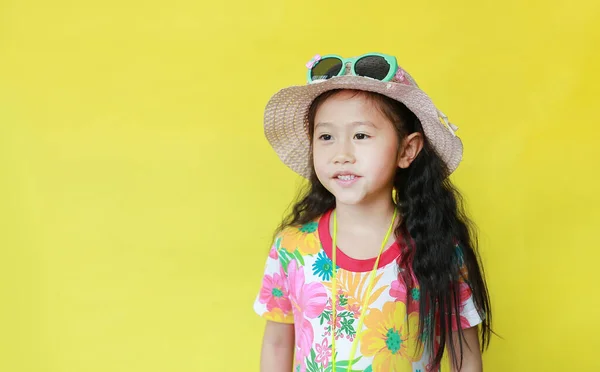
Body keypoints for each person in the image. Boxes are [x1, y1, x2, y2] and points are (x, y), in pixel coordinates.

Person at [253, 53, 492, 372]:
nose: (341, 154)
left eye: (361, 135)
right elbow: (277, 342)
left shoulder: (436, 248)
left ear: (407, 150)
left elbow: (465, 356)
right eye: (326, 137)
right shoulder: (292, 248)